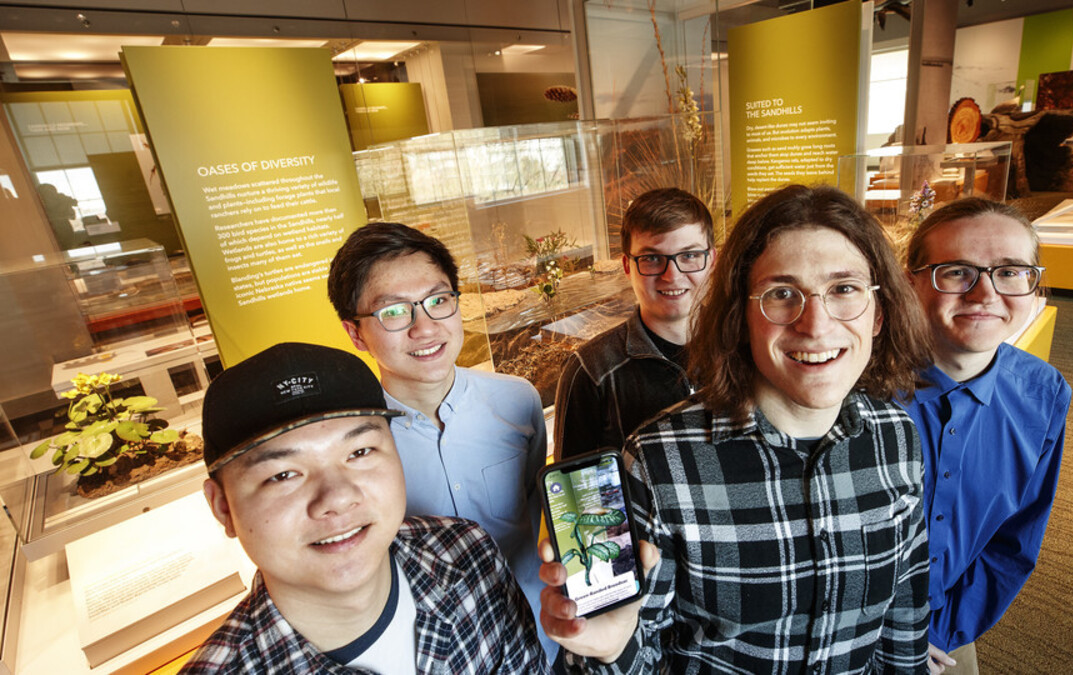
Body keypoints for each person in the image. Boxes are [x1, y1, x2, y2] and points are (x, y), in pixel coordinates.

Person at [540, 184, 933, 673]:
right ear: (739, 315)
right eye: (781, 294)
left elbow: (904, 620)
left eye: (844, 289)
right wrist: (608, 651)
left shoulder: (896, 438)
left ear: (879, 312)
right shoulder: (658, 462)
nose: (815, 324)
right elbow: (632, 646)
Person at [185, 342, 547, 673]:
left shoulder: (468, 552)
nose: (338, 497)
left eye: (359, 452)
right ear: (222, 508)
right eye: (282, 475)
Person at [327, 223, 554, 661]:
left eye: (438, 301)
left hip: (538, 630)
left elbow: (532, 508)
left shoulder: (518, 399)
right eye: (393, 312)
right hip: (436, 653)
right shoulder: (350, 448)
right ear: (356, 333)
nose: (424, 327)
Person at [902, 198, 1072, 675]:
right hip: (848, 632)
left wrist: (944, 631)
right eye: (957, 271)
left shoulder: (1044, 393)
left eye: (1011, 271)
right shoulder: (852, 388)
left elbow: (1015, 539)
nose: (984, 294)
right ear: (910, 281)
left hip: (947, 631)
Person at [553, 187, 715, 459]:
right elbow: (577, 490)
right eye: (652, 258)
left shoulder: (745, 347)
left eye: (689, 256)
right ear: (627, 267)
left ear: (711, 260)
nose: (671, 276)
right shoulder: (591, 372)